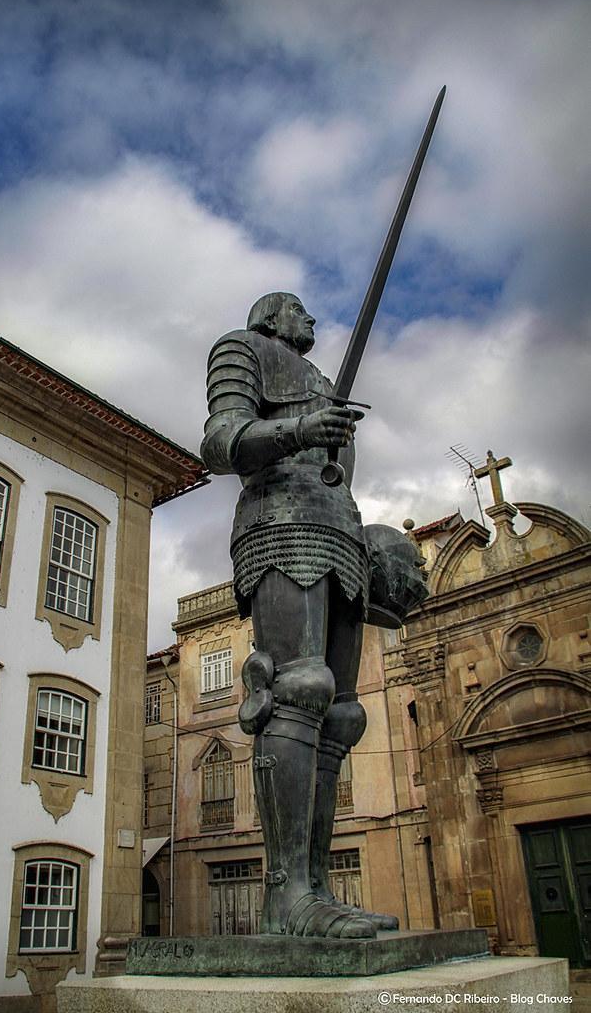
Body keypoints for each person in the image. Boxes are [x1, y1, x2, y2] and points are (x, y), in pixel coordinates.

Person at [201, 291, 426, 938]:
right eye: (298, 310)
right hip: (281, 528)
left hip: (339, 538)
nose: (311, 321)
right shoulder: (240, 349)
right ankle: (286, 895)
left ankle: (318, 891)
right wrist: (300, 430)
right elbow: (220, 444)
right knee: (297, 690)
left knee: (341, 716)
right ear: (270, 316)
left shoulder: (323, 382)